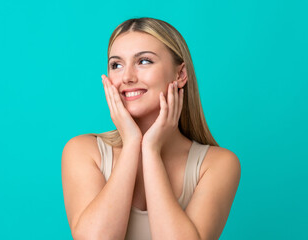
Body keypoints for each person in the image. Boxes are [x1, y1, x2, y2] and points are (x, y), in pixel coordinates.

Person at [61, 17, 241, 240]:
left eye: (144, 61)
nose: (127, 77)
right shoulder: (83, 151)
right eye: (116, 65)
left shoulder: (217, 164)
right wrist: (131, 145)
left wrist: (151, 150)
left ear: (180, 74)